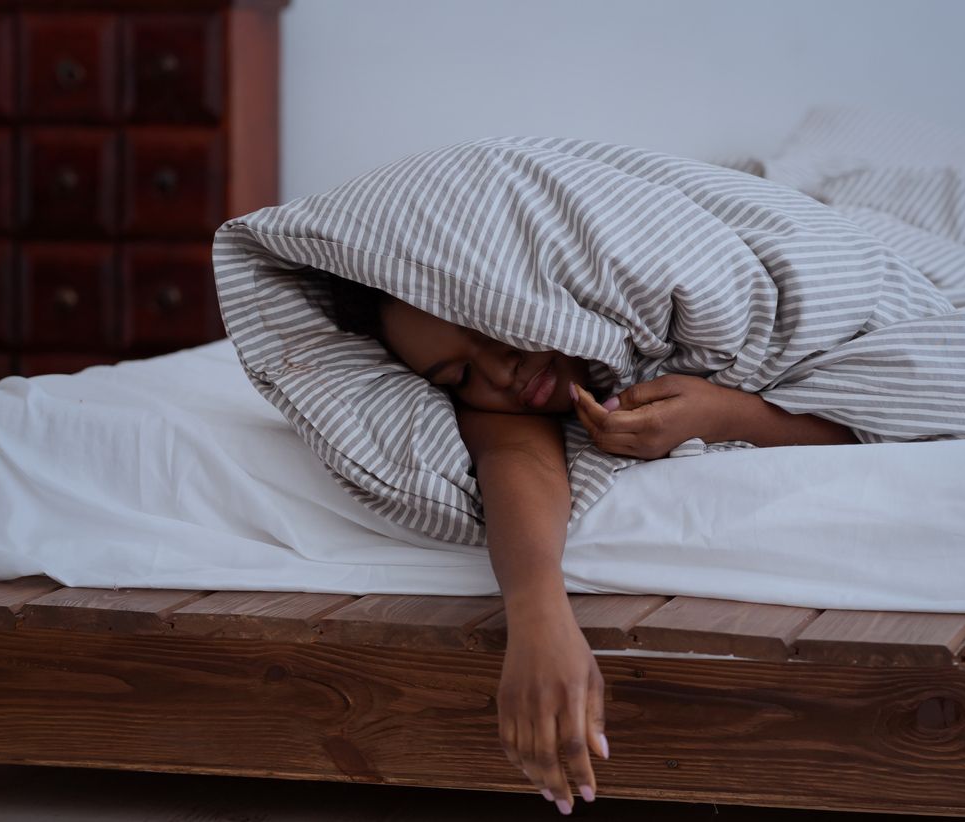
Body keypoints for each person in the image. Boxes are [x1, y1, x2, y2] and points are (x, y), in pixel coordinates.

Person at [328, 274, 856, 815]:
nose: (496, 371)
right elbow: (516, 459)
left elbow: (903, 415)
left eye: (488, 325)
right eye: (460, 375)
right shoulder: (501, 403)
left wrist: (725, 413)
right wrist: (538, 620)